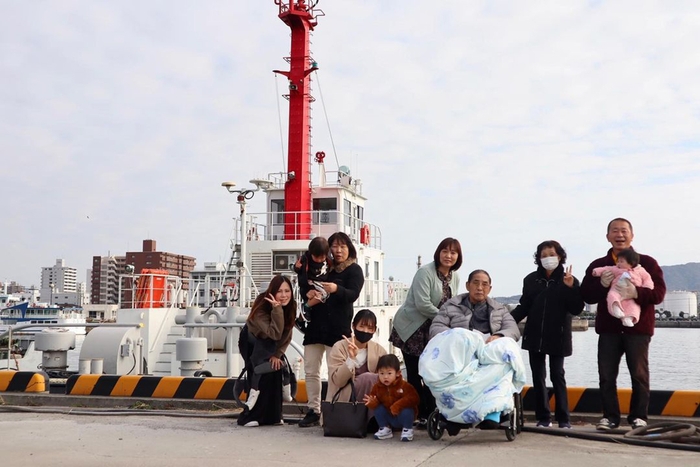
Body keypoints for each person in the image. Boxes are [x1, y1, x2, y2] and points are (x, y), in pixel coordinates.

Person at [581, 218, 666, 431]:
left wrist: (637, 292)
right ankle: (610, 417)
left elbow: (659, 294)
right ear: (608, 236)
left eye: (624, 231)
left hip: (637, 329)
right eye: (615, 231)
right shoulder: (598, 265)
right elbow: (586, 295)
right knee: (607, 375)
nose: (620, 235)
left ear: (632, 235)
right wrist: (601, 285)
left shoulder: (648, 263)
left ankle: (639, 417)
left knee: (639, 374)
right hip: (608, 330)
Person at [510, 240, 584, 429]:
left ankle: (564, 419)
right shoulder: (530, 280)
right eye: (543, 255)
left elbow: (576, 308)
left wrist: (571, 288)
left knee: (557, 374)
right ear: (538, 258)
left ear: (559, 257)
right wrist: (506, 322)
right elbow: (524, 306)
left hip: (558, 335)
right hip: (535, 334)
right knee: (538, 376)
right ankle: (543, 418)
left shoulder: (569, 279)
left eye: (551, 254)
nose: (547, 258)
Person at [389, 237, 462, 427]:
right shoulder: (425, 273)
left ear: (458, 256)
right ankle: (418, 413)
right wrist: (446, 318)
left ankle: (430, 412)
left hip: (434, 330)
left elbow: (452, 303)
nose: (448, 256)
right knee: (415, 373)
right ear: (438, 253)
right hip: (412, 328)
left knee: (432, 372)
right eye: (445, 251)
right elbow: (423, 305)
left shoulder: (454, 276)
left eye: (453, 252)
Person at [298, 232, 365, 427]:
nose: (338, 250)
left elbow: (353, 294)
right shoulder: (322, 267)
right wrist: (307, 292)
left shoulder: (354, 270)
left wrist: (336, 289)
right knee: (311, 370)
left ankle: (331, 411)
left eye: (342, 246)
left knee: (336, 372)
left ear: (349, 249)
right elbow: (306, 285)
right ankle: (313, 409)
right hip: (316, 327)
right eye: (334, 246)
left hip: (338, 328)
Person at [237, 275, 296, 427]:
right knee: (260, 372)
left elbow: (287, 334)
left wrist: (278, 354)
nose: (284, 295)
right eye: (279, 291)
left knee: (276, 368)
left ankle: (273, 416)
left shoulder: (291, 305)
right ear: (272, 292)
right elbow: (273, 333)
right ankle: (251, 416)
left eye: (287, 291)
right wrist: (277, 309)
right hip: (254, 343)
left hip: (274, 343)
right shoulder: (261, 306)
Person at [429, 269, 520, 342]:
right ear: (467, 286)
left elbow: (513, 330)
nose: (480, 288)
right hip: (459, 349)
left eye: (484, 284)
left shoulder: (499, 309)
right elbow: (436, 327)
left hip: (490, 349)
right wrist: (455, 336)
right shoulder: (451, 306)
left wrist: (498, 336)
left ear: (489, 288)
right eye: (475, 283)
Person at [363, 354, 420, 442]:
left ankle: (407, 429)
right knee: (379, 408)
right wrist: (372, 403)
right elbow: (375, 401)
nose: (385, 377)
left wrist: (398, 406)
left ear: (397, 373)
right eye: (381, 373)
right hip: (389, 416)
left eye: (389, 373)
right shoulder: (377, 387)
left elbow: (414, 398)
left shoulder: (404, 386)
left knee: (408, 410)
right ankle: (385, 428)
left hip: (402, 417)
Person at [592, 248, 654, 327]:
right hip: (616, 289)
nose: (618, 263)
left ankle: (628, 318)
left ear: (631, 263)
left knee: (633, 306)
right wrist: (596, 272)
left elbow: (647, 279)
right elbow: (606, 268)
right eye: (618, 261)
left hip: (632, 297)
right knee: (612, 296)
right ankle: (615, 308)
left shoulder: (641, 270)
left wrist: (645, 289)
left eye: (621, 261)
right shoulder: (615, 269)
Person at [294, 237, 332, 328]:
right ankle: (306, 306)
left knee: (322, 295)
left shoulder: (328, 260)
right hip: (310, 282)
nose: (319, 260)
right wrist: (297, 267)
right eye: (316, 257)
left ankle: (301, 320)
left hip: (320, 283)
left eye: (322, 257)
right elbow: (300, 274)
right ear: (311, 253)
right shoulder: (305, 259)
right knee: (324, 294)